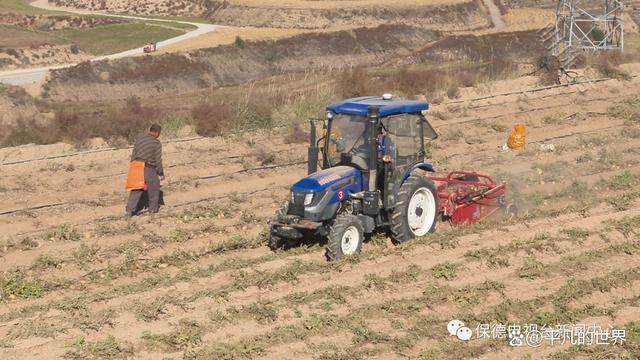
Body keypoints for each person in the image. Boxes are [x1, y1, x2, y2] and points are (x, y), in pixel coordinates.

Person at [126, 124, 165, 216]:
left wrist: (133, 166)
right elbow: (158, 159)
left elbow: (134, 153)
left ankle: (130, 210)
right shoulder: (156, 143)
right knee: (154, 187)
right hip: (148, 166)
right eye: (159, 134)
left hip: (135, 165)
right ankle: (153, 209)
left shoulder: (140, 139)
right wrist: (161, 173)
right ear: (157, 133)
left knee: (137, 188)